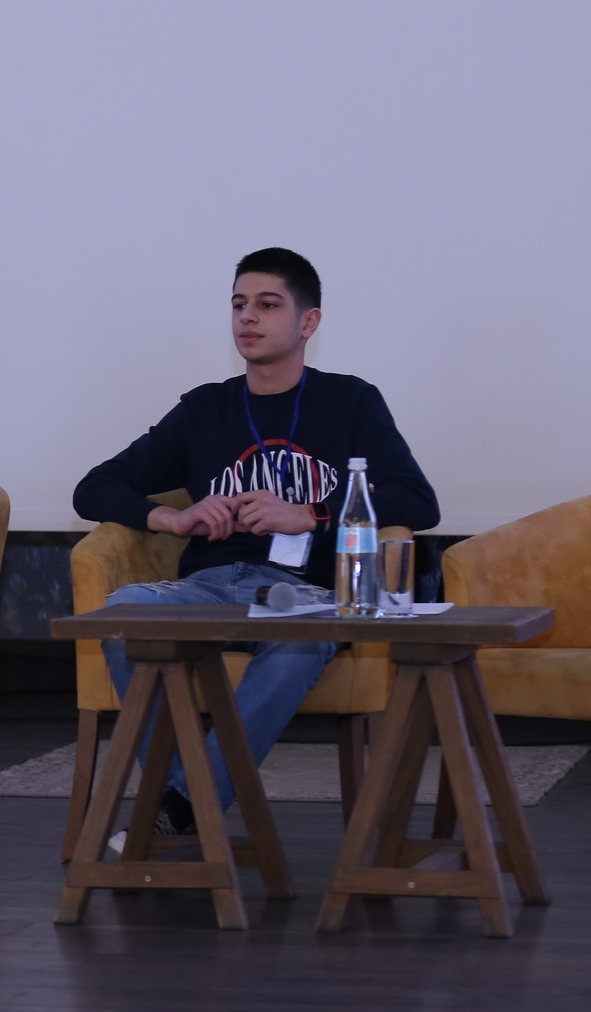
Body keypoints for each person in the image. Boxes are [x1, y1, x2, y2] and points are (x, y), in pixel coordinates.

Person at [73, 247, 439, 852]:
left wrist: (310, 515)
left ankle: (179, 805)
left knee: (301, 647)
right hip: (208, 586)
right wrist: (174, 517)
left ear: (308, 322)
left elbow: (418, 502)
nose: (247, 317)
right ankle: (186, 798)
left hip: (305, 595)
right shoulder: (204, 408)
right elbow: (94, 488)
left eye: (267, 305)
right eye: (239, 304)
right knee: (121, 617)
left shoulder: (350, 401)